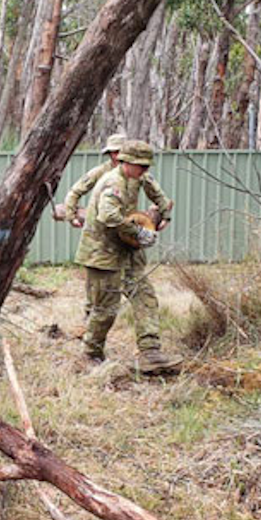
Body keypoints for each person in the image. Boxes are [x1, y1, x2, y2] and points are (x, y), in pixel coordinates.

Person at [76, 139, 182, 374]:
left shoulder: (137, 177)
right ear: (126, 162)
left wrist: (164, 215)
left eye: (147, 166)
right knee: (106, 309)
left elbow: (158, 194)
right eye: (141, 166)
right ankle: (91, 354)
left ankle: (150, 352)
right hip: (102, 253)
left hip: (126, 250)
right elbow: (108, 216)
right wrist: (139, 232)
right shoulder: (112, 182)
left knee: (145, 296)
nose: (145, 170)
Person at [60, 133, 126, 315]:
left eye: (120, 151)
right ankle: (90, 315)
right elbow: (75, 191)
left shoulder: (135, 173)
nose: (116, 156)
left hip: (123, 231)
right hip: (98, 234)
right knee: (95, 278)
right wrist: (70, 214)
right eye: (113, 152)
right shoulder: (101, 172)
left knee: (125, 275)